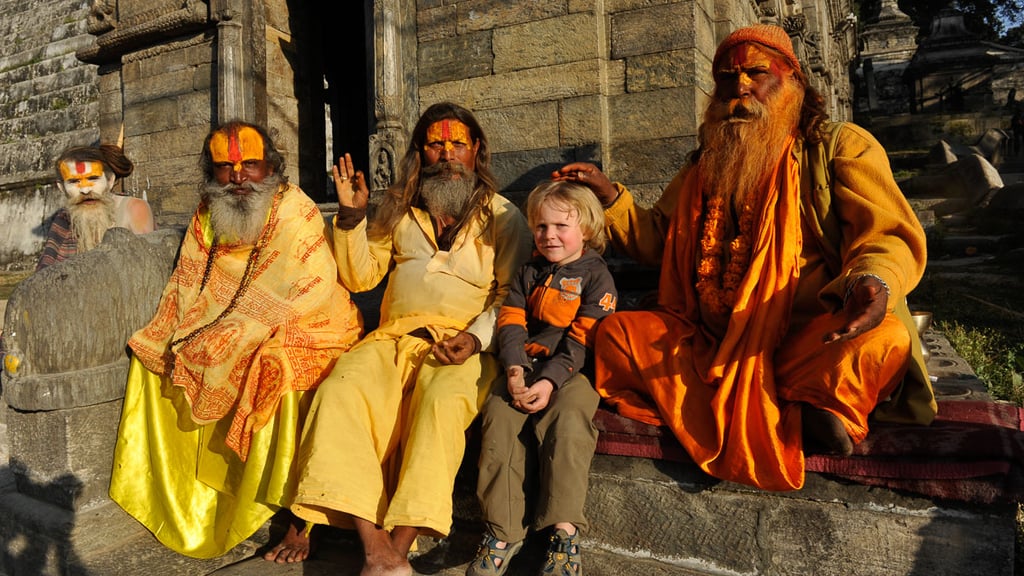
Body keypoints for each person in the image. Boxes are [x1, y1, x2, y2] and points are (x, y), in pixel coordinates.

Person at [553, 24, 936, 492]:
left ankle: (809, 407)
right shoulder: (705, 165)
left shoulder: (838, 145)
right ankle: (795, 413)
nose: (740, 89)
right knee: (618, 333)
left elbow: (887, 233)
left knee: (884, 337)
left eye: (757, 73)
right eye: (727, 79)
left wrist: (871, 280)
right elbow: (657, 240)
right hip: (710, 340)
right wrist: (608, 194)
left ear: (793, 80)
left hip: (808, 337)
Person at [270, 102, 533, 575]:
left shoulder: (503, 216)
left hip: (460, 346)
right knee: (339, 392)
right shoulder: (398, 210)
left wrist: (474, 340)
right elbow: (359, 276)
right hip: (390, 339)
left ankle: (400, 541)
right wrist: (350, 219)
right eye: (436, 143)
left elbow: (511, 295)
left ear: (477, 152)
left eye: (458, 144)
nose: (448, 154)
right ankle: (379, 553)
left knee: (441, 406)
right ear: (421, 152)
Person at [108, 121, 363, 558]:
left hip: (313, 320)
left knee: (273, 368)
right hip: (223, 316)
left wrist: (247, 327)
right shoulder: (208, 211)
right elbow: (187, 279)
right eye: (226, 168)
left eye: (250, 166)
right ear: (213, 171)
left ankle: (298, 520)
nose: (239, 177)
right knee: (155, 354)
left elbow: (313, 282)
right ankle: (184, 496)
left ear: (272, 168)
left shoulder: (294, 207)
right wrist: (177, 328)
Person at [468, 180, 617, 576]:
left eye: (560, 227)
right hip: (525, 368)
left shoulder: (596, 277)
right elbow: (511, 321)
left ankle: (564, 531)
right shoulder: (528, 271)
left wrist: (550, 381)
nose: (549, 235)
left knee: (567, 425)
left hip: (574, 372)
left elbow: (583, 339)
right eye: (541, 227)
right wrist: (514, 368)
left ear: (585, 229)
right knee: (499, 420)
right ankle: (503, 531)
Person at [37, 143, 155, 270]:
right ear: (61, 188)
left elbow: (148, 265)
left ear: (109, 181)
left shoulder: (134, 208)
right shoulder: (64, 219)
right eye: (74, 181)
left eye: (93, 178)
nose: (86, 190)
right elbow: (46, 272)